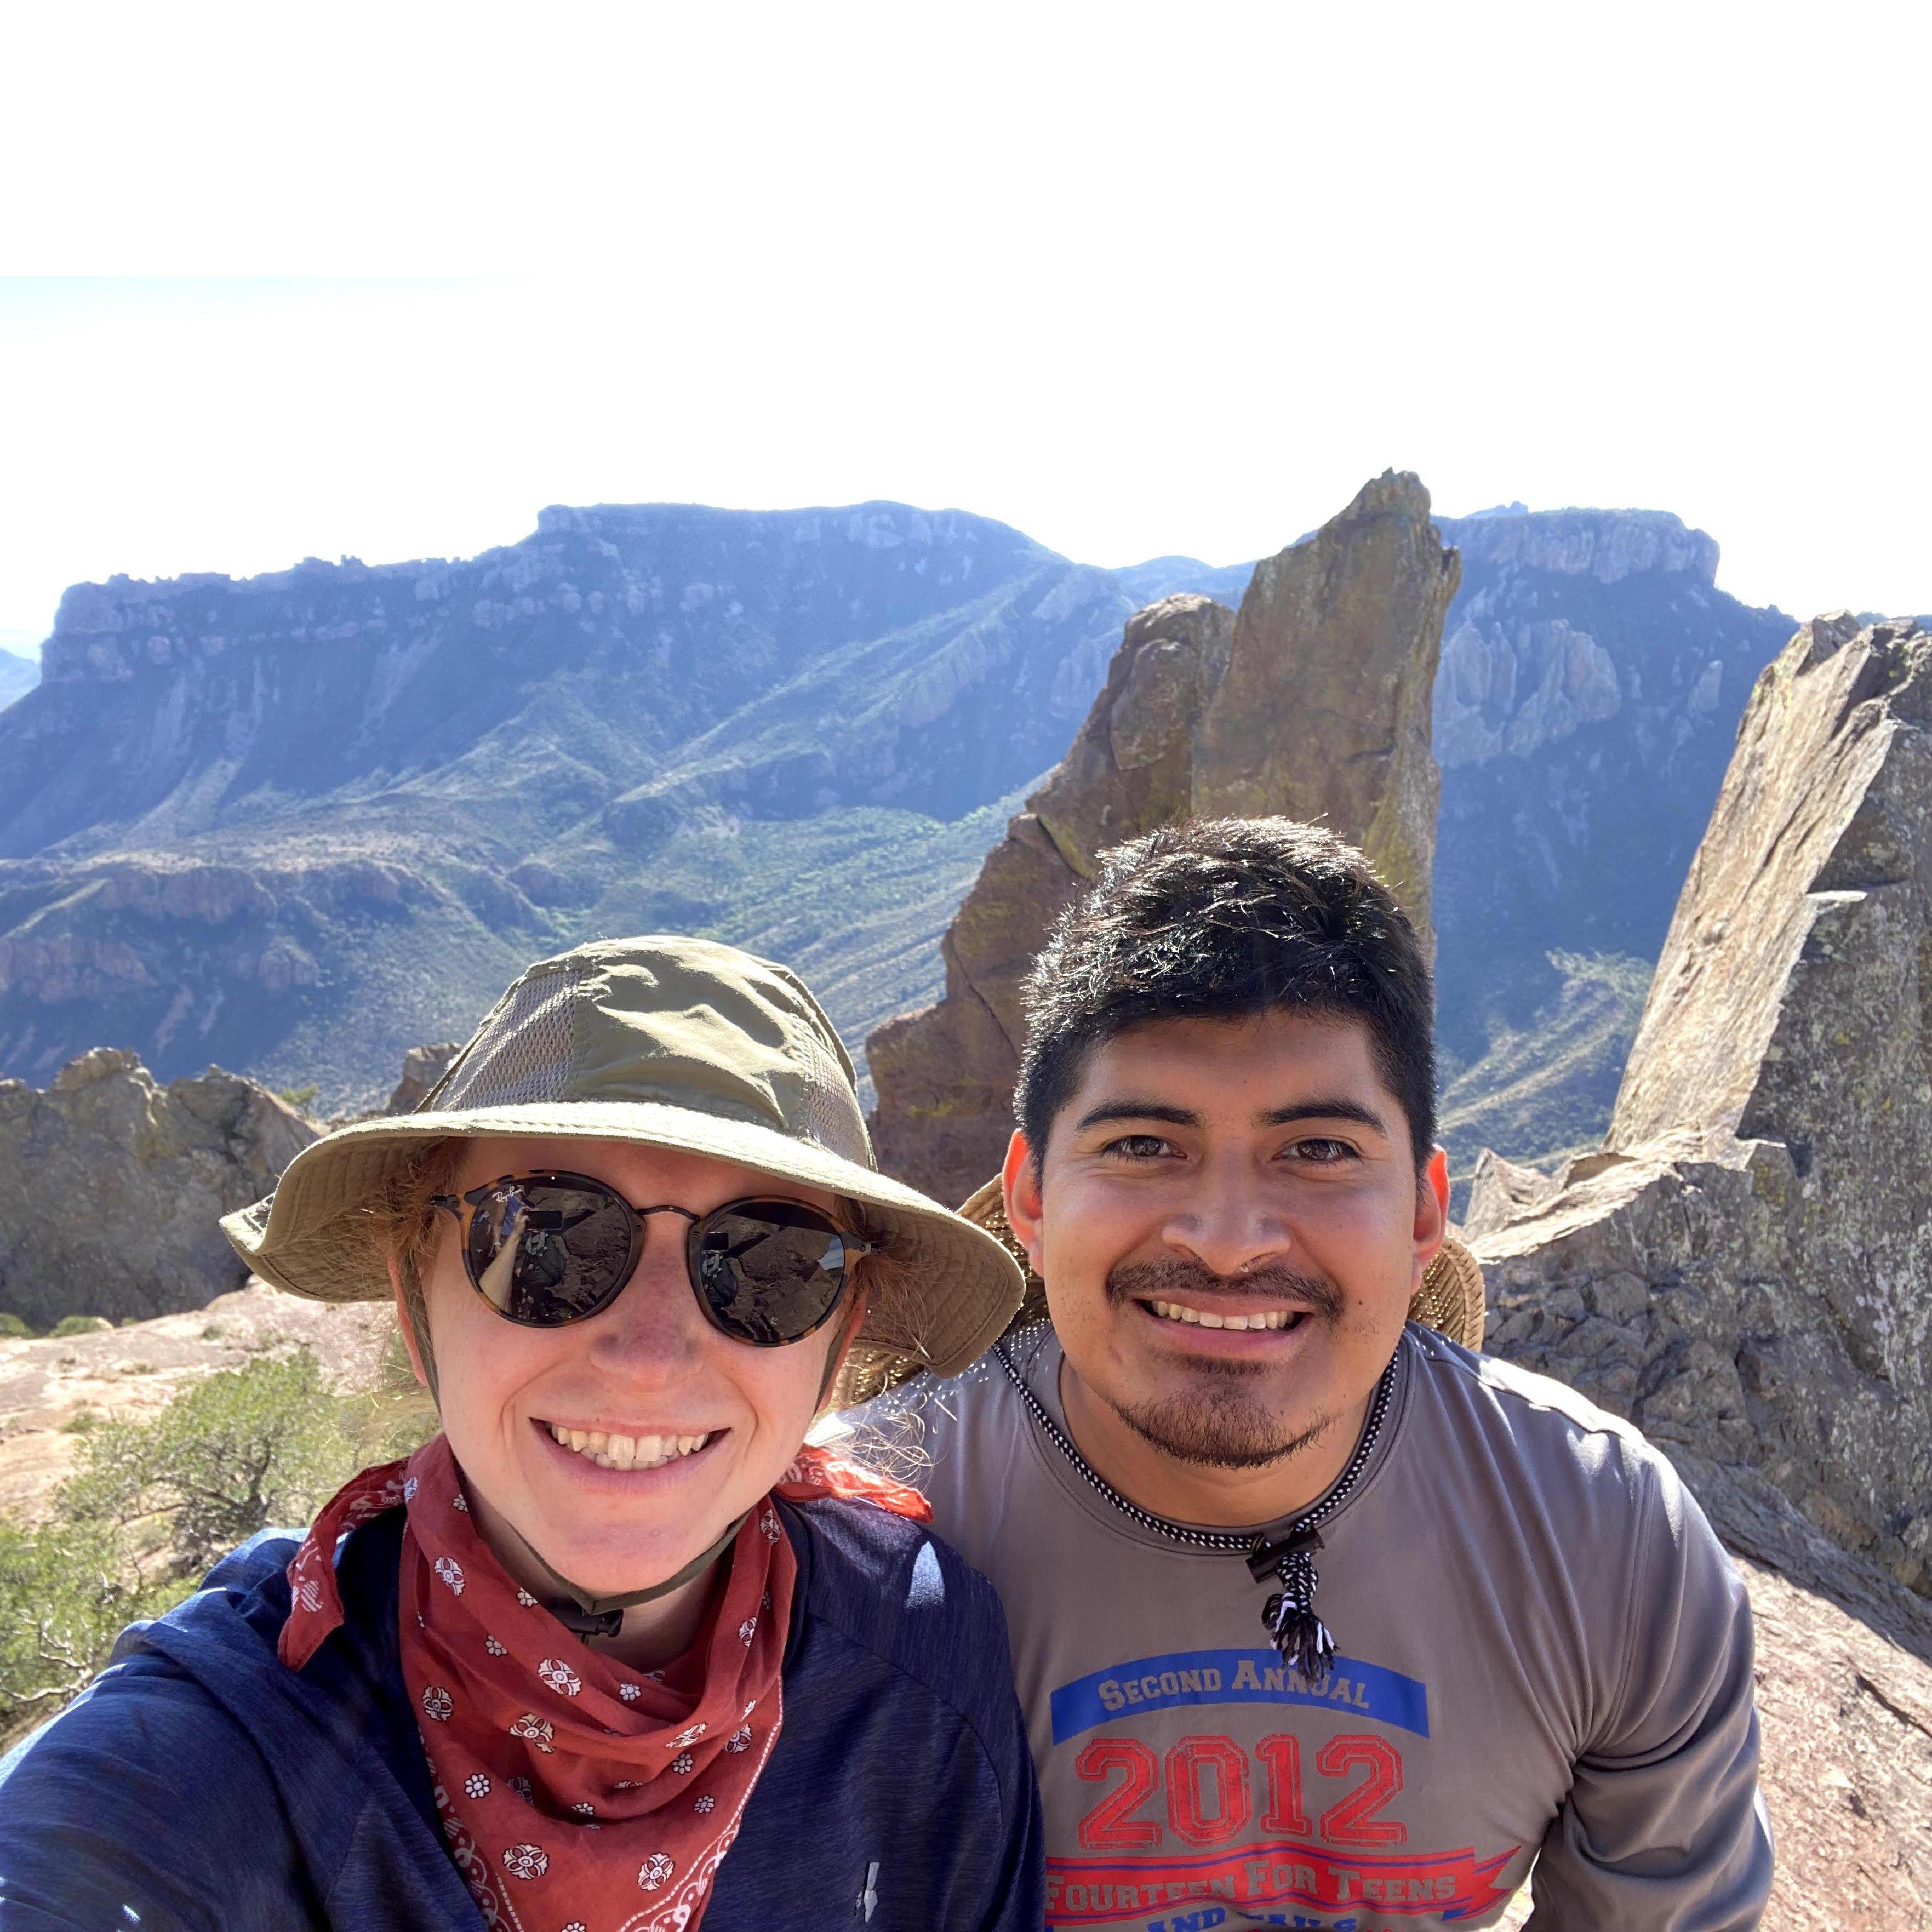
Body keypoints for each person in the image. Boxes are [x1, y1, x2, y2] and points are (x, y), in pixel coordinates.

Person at [0, 936, 1044, 1931]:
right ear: (418, 1305)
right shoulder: (239, 1720)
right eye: (545, 1239)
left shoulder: (921, 1654)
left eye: (769, 1263)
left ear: (836, 1335)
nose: (648, 1354)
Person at [854, 818, 1773, 1930]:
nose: (1231, 1238)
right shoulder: (854, 1541)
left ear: (1426, 1209)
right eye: (1144, 1143)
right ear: (1032, 1198)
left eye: (1318, 1148)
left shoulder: (1606, 1544)